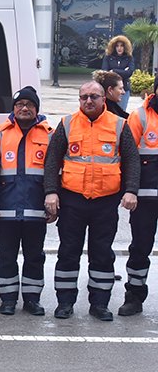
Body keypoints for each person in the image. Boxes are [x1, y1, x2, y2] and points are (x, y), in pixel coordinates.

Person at [44, 80, 139, 321]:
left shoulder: (119, 125)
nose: (88, 101)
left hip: (105, 203)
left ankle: (99, 304)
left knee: (102, 254)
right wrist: (50, 191)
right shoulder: (66, 124)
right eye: (84, 96)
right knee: (68, 252)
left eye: (93, 96)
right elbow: (52, 160)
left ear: (103, 99)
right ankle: (65, 302)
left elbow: (132, 160)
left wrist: (131, 190)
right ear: (79, 99)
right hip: (72, 200)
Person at [0, 86, 52, 316]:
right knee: (6, 256)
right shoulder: (0, 132)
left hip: (36, 209)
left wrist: (53, 200)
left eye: (29, 105)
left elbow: (55, 171)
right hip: (7, 210)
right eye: (20, 105)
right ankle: (8, 299)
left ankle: (32, 300)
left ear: (36, 109)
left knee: (35, 257)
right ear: (14, 108)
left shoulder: (49, 133)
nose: (24, 108)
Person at [117, 78, 158, 316]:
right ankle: (134, 296)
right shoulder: (140, 116)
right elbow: (128, 157)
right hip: (145, 198)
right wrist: (129, 190)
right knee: (140, 248)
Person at [101, 35, 134, 111]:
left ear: (125, 47)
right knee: (109, 113)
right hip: (110, 90)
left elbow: (129, 72)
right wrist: (123, 71)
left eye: (122, 46)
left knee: (121, 113)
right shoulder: (108, 57)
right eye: (117, 46)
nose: (119, 48)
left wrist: (113, 71)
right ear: (114, 47)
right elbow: (105, 73)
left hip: (124, 90)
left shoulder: (129, 57)